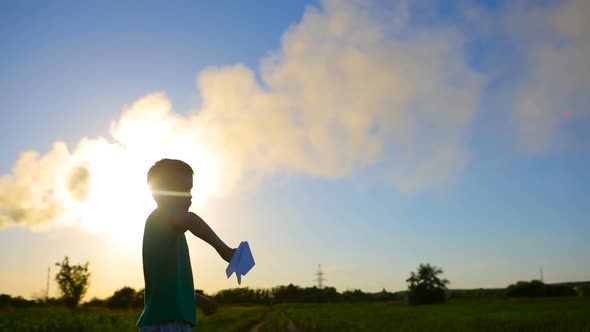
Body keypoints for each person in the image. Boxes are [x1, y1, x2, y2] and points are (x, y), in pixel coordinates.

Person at [137, 159, 235, 331]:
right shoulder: (161, 216)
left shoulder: (168, 230)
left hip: (167, 319)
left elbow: (169, 285)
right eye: (181, 190)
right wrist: (224, 250)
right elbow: (190, 219)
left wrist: (198, 300)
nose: (188, 195)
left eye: (189, 190)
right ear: (158, 193)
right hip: (167, 322)